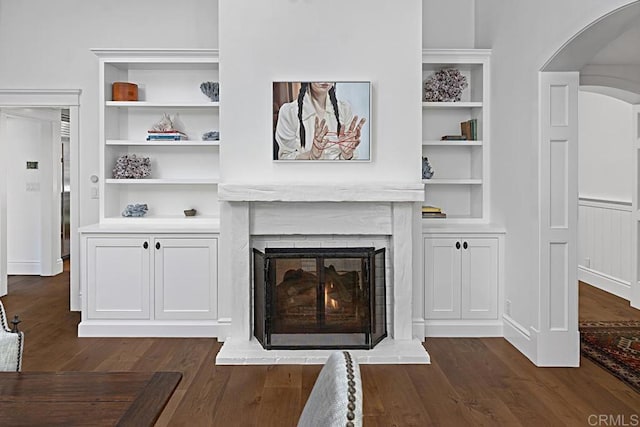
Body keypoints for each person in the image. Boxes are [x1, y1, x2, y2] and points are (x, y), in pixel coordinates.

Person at [275, 82, 366, 160]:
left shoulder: (344, 108)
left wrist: (347, 155)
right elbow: (284, 158)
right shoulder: (289, 112)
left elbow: (349, 161)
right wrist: (311, 155)